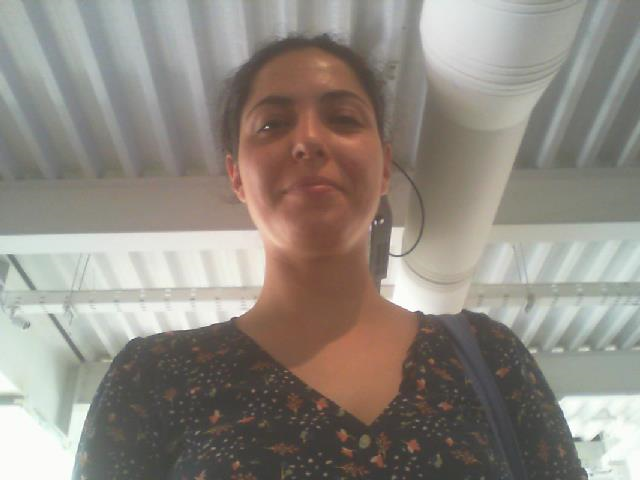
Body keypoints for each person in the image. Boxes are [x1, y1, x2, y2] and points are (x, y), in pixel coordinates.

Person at [72, 34, 588, 479]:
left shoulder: (489, 358)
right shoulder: (154, 378)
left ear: (383, 167)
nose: (309, 140)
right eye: (272, 125)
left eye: (343, 118)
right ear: (236, 176)